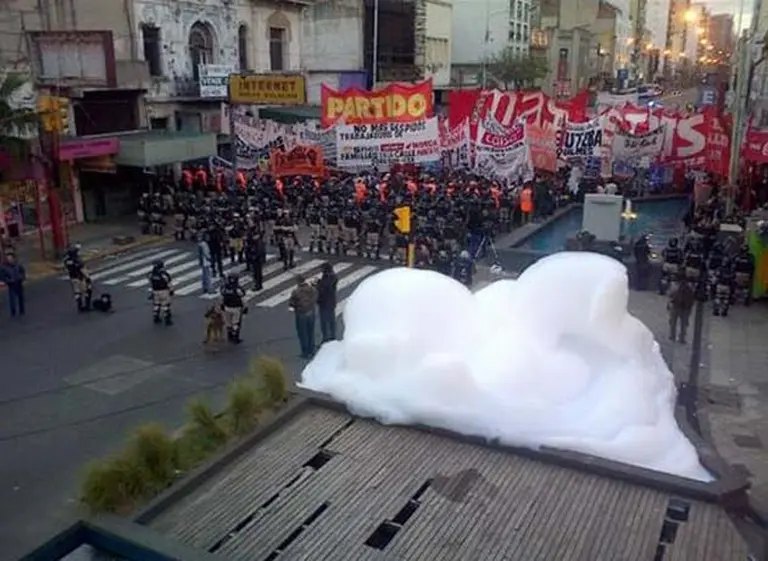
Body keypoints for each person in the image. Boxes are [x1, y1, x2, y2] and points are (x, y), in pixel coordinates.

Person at [289, 274, 318, 359]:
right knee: (310, 332)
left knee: (303, 334)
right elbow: (315, 298)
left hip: (301, 314)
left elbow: (292, 303)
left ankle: (305, 352)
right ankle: (312, 350)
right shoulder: (312, 289)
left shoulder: (296, 292)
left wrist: (293, 307)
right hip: (311, 313)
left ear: (298, 282)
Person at [63, 245, 91, 312]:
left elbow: (66, 268)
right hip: (80, 277)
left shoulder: (67, 260)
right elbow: (82, 269)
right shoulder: (78, 260)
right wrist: (88, 278)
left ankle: (79, 306)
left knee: (77, 292)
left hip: (73, 277)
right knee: (86, 291)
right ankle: (87, 305)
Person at [667, 275, 695, 343]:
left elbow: (670, 295)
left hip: (676, 306)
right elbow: (692, 298)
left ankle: (672, 336)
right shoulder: (690, 288)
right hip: (686, 308)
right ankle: (682, 338)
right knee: (684, 324)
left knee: (673, 322)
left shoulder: (675, 286)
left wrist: (668, 305)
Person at [220, 273, 247, 343]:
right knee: (236, 323)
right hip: (236, 308)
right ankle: (235, 337)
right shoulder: (238, 289)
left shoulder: (224, 288)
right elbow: (243, 299)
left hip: (227, 308)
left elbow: (222, 297)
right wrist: (245, 308)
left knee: (228, 322)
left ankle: (230, 336)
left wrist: (222, 306)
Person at [316, 263, 338, 342]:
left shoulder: (330, 278)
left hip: (325, 303)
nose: (321, 270)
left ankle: (327, 338)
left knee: (325, 321)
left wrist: (318, 284)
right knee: (329, 321)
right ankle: (331, 337)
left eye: (322, 269)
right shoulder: (331, 276)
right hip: (329, 302)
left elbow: (325, 288)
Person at [0, 251, 26, 317]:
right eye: (8, 259)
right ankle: (13, 312)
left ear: (13, 258)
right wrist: (8, 280)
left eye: (11, 258)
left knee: (20, 297)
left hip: (18, 282)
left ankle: (22, 310)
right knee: (12, 298)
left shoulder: (18, 265)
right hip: (11, 284)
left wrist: (21, 277)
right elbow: (2, 277)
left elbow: (22, 271)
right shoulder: (4, 267)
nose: (10, 260)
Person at [148, 259, 173, 325]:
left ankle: (156, 317)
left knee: (157, 304)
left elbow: (151, 283)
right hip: (164, 291)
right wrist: (171, 290)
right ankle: (167, 320)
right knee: (166, 305)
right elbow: (169, 282)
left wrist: (152, 292)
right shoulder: (164, 274)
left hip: (155, 291)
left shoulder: (151, 274)